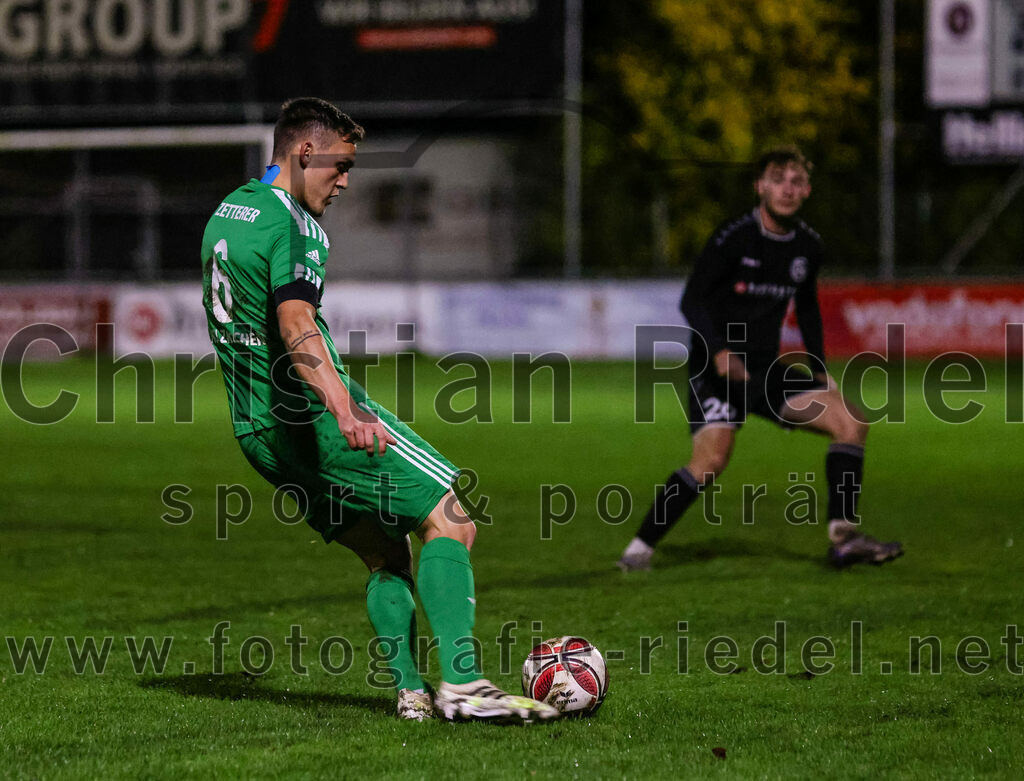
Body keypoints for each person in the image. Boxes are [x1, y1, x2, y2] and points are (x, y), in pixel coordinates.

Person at [201, 97, 557, 723]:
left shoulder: (230, 212)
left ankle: (412, 693)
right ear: (304, 152)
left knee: (385, 554)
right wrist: (343, 409)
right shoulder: (296, 224)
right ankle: (466, 685)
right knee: (451, 516)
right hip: (312, 422)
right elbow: (295, 321)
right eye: (339, 166)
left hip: (257, 435)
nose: (345, 183)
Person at [617, 146, 903, 571]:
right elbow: (692, 299)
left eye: (796, 181)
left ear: (806, 190)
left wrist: (821, 371)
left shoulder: (807, 246)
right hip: (715, 372)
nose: (788, 189)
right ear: (761, 186)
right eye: (778, 180)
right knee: (711, 461)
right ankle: (638, 549)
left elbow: (806, 308)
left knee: (852, 422)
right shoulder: (734, 238)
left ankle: (843, 539)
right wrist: (717, 350)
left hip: (765, 372)